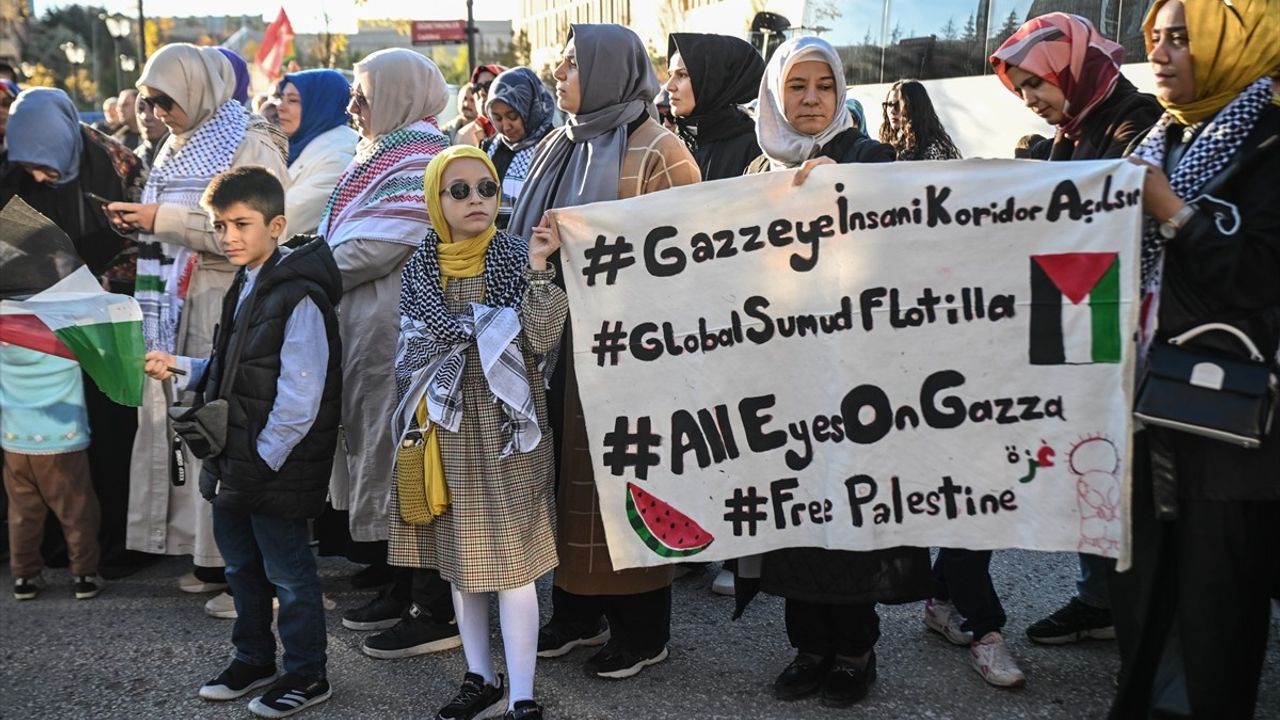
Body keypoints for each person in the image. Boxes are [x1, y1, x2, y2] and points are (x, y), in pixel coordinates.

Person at [742, 36, 931, 708]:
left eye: (824, 85)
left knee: (851, 522)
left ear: (842, 90)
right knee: (795, 519)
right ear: (776, 94)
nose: (813, 98)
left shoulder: (872, 160)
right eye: (798, 86)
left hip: (857, 381)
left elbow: (904, 256)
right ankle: (808, 649)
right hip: (784, 379)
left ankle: (855, 651)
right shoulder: (757, 170)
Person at [508, 23, 700, 681]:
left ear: (611, 70)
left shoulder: (658, 148)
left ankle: (642, 630)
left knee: (623, 483)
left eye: (572, 65)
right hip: (554, 339)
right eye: (560, 66)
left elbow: (689, 254)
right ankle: (577, 612)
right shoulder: (559, 145)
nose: (559, 76)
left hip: (631, 352)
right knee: (566, 482)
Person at [1107, 1, 1280, 718]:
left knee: (1216, 596)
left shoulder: (1269, 145)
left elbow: (1258, 274)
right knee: (1143, 589)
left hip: (1227, 418)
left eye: (1183, 39)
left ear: (1234, 44)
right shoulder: (1162, 138)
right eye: (1156, 39)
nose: (1163, 55)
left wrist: (1172, 212)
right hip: (1145, 407)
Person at [143, 165, 341, 718]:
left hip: (267, 464)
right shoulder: (245, 282)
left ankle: (307, 674)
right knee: (241, 569)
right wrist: (180, 366)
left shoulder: (299, 296)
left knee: (290, 575)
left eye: (240, 224)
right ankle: (254, 658)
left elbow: (301, 396)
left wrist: (260, 460)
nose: (228, 236)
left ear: (276, 225)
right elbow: (232, 367)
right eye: (220, 225)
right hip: (235, 460)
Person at [992, 12, 1162, 646]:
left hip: (1124, 330)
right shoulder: (1076, 128)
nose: (1031, 103)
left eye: (1036, 86)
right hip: (1084, 320)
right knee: (1091, 458)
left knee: (1114, 465)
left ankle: (1126, 602)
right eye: (1024, 93)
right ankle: (1103, 596)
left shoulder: (1133, 120)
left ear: (1070, 68)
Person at [106, 43, 291, 617]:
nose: (158, 111)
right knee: (198, 428)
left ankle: (255, 580)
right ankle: (215, 560)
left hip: (225, 302)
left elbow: (262, 230)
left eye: (167, 99)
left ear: (198, 91)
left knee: (229, 429)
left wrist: (161, 220)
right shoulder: (177, 144)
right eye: (149, 100)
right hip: (184, 306)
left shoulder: (247, 138)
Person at [394, 144, 566, 720]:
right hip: (444, 431)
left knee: (513, 565)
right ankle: (480, 679)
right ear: (436, 199)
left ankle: (522, 695)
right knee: (461, 565)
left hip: (509, 433)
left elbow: (543, 341)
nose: (475, 200)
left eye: (486, 189)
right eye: (459, 190)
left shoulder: (519, 257)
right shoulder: (420, 267)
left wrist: (541, 266)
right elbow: (408, 353)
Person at [319, 48, 460, 658]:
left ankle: (435, 607)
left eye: (365, 95)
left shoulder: (425, 158)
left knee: (411, 460)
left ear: (401, 96)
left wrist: (306, 268)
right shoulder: (381, 153)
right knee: (383, 453)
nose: (353, 107)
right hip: (372, 332)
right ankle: (400, 586)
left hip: (405, 338)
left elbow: (377, 248)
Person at [0, 88, 149, 578]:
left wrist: (93, 292)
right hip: (34, 337)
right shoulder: (12, 172)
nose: (38, 178)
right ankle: (46, 548)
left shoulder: (117, 164)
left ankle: (110, 547)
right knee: (40, 442)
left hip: (101, 326)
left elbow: (142, 242)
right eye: (30, 168)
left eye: (45, 166)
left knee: (105, 437)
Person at [2, 202, 104, 603]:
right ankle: (85, 575)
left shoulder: (4, 322)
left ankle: (24, 578)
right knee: (77, 508)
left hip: (14, 438)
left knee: (22, 513)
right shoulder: (65, 323)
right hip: (64, 436)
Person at [665, 32, 765, 182]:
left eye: (683, 75)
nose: (669, 86)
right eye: (670, 75)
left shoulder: (755, 149)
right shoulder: (668, 142)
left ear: (714, 80)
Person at [274, 69, 359, 236]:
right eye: (280, 98)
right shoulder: (292, 145)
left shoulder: (340, 156)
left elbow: (289, 217)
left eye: (292, 100)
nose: (280, 107)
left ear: (321, 104)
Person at [481, 67, 555, 229]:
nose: (506, 127)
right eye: (497, 118)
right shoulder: (490, 148)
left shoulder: (553, 147)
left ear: (530, 109)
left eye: (513, 116)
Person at [879, 79, 962, 160]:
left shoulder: (932, 148)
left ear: (914, 108)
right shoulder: (896, 143)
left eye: (898, 105)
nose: (892, 111)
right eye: (889, 104)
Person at [456, 64, 507, 147]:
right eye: (477, 87)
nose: (481, 92)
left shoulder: (518, 131)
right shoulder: (465, 135)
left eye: (489, 86)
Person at [134, 89, 169, 171]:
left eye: (153, 109)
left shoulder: (184, 157)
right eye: (140, 109)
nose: (145, 117)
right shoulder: (132, 162)